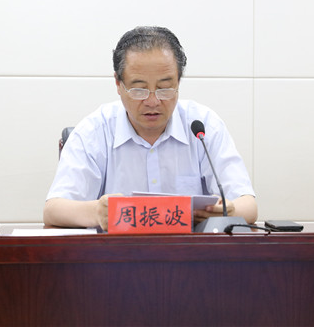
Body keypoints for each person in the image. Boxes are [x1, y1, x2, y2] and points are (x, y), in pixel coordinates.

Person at [43, 26, 257, 230]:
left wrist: (228, 210)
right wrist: (96, 212)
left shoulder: (202, 127)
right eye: (139, 89)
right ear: (118, 84)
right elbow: (53, 210)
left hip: (190, 253)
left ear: (178, 82)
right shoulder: (95, 131)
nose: (153, 101)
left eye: (165, 88)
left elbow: (248, 205)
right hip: (114, 254)